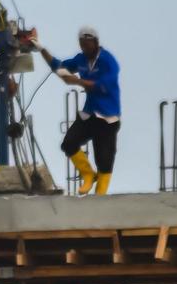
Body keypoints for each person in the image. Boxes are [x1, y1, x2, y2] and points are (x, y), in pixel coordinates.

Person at [39, 26, 120, 195]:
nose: (84, 48)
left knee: (104, 160)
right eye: (82, 44)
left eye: (87, 44)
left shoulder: (108, 61)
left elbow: (105, 85)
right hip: (90, 114)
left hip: (107, 117)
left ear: (95, 43)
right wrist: (40, 48)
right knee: (69, 143)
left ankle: (100, 194)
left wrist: (77, 82)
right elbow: (60, 67)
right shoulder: (81, 59)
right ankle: (88, 174)